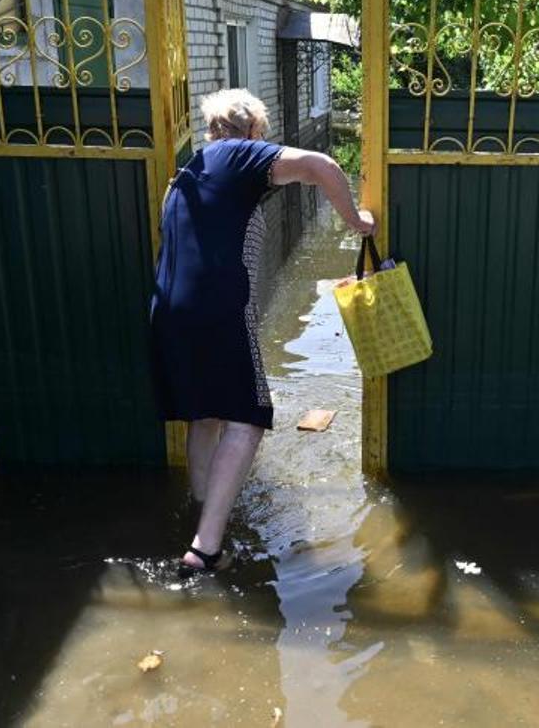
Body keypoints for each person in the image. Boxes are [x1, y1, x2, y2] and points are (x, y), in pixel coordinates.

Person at [149, 88, 375, 574]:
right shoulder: (240, 154)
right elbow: (321, 166)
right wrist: (357, 221)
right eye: (263, 135)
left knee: (205, 416)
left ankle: (204, 512)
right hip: (217, 307)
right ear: (252, 130)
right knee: (249, 419)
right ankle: (206, 549)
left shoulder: (189, 172)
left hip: (169, 308)